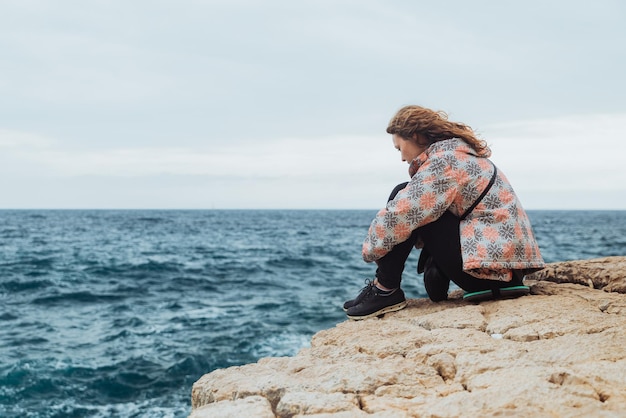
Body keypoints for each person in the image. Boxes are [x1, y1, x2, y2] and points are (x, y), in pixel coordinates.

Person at [344, 105, 545, 320]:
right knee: (417, 200)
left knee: (404, 197)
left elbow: (401, 215)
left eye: (399, 148)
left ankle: (385, 289)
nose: (402, 158)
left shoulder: (444, 162)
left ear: (414, 135)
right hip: (506, 274)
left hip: (491, 276)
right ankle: (385, 287)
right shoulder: (460, 156)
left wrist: (372, 250)